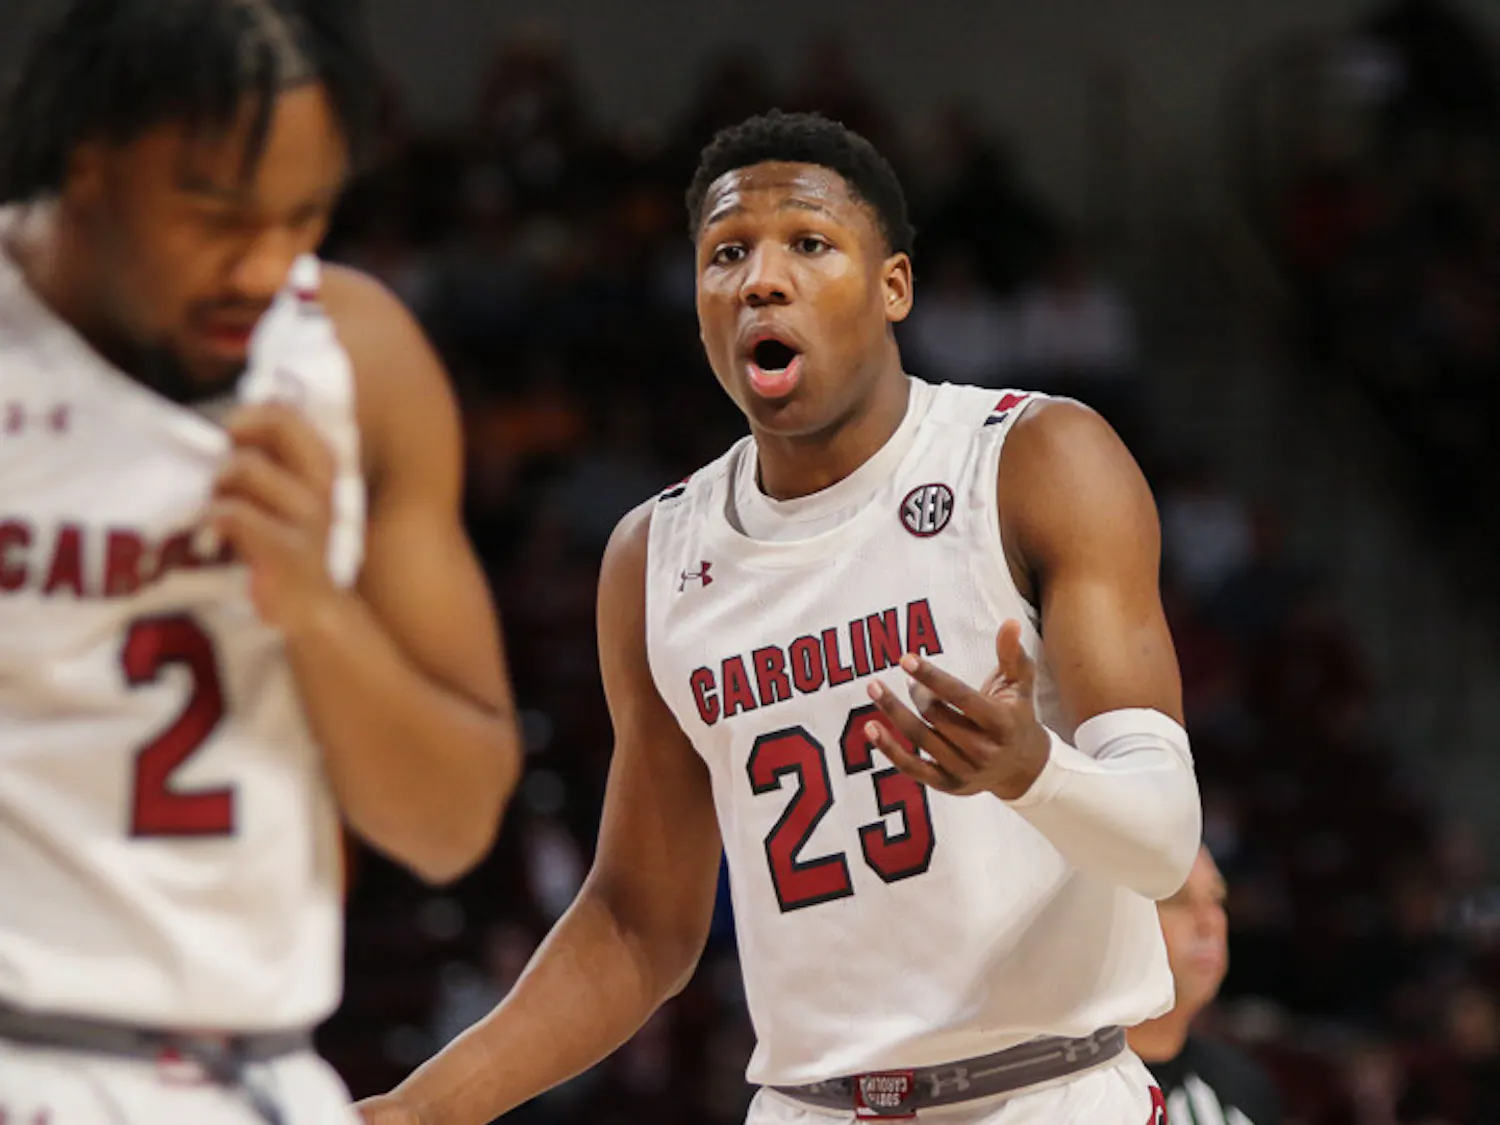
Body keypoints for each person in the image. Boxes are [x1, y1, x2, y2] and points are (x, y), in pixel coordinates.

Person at [360, 109, 1201, 1125]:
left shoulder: (1032, 460)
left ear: (894, 286)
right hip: (809, 1104)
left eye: (809, 244)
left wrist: (1036, 772)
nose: (762, 277)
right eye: (726, 254)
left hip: (1047, 1093)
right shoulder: (653, 557)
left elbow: (1163, 843)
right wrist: (417, 1112)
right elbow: (637, 926)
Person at [0, 2, 522, 1122]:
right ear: (88, 159)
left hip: (245, 1074)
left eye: (303, 218)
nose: (263, 265)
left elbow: (450, 828)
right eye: (217, 213)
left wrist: (319, 617)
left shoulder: (357, 360)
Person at [1129, 848, 1285, 1125]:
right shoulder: (1054, 1086)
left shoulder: (1245, 1091)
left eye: (1217, 899)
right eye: (1176, 900)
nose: (1209, 922)